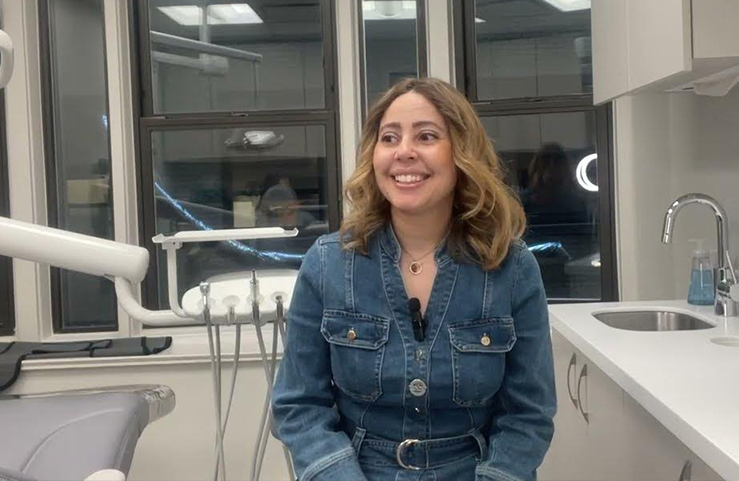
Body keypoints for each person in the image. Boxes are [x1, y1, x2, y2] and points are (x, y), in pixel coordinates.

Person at [272, 78, 556, 481]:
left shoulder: (512, 268)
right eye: (389, 138)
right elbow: (298, 406)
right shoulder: (327, 264)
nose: (404, 152)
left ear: (461, 153)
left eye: (426, 136)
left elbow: (529, 415)